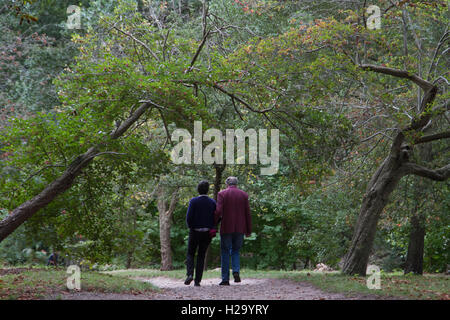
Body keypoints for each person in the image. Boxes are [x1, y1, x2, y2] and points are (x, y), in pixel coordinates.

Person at [215, 176, 251, 286]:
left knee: (225, 251)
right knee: (236, 250)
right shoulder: (244, 195)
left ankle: (225, 279)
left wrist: (214, 224)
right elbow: (247, 214)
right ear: (237, 184)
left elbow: (218, 211)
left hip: (226, 227)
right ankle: (236, 271)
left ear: (227, 184)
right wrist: (248, 230)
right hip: (240, 228)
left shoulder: (222, 194)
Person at [185, 180, 217, 286]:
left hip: (195, 231)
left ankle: (189, 274)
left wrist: (191, 226)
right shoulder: (212, 202)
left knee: (190, 253)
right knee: (201, 256)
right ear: (207, 190)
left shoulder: (193, 201)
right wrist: (213, 226)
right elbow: (216, 217)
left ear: (198, 190)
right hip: (207, 233)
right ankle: (197, 281)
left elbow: (189, 217)